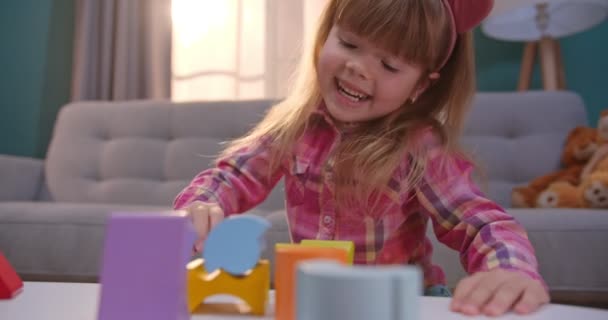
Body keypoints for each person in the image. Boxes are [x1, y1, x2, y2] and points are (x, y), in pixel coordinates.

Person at [174, 0, 550, 316]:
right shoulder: (293, 128)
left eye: (389, 65)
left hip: (400, 306)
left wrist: (509, 270)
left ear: (420, 85)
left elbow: (480, 222)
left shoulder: (419, 146)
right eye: (350, 43)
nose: (359, 68)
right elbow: (231, 177)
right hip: (317, 301)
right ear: (326, 35)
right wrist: (203, 204)